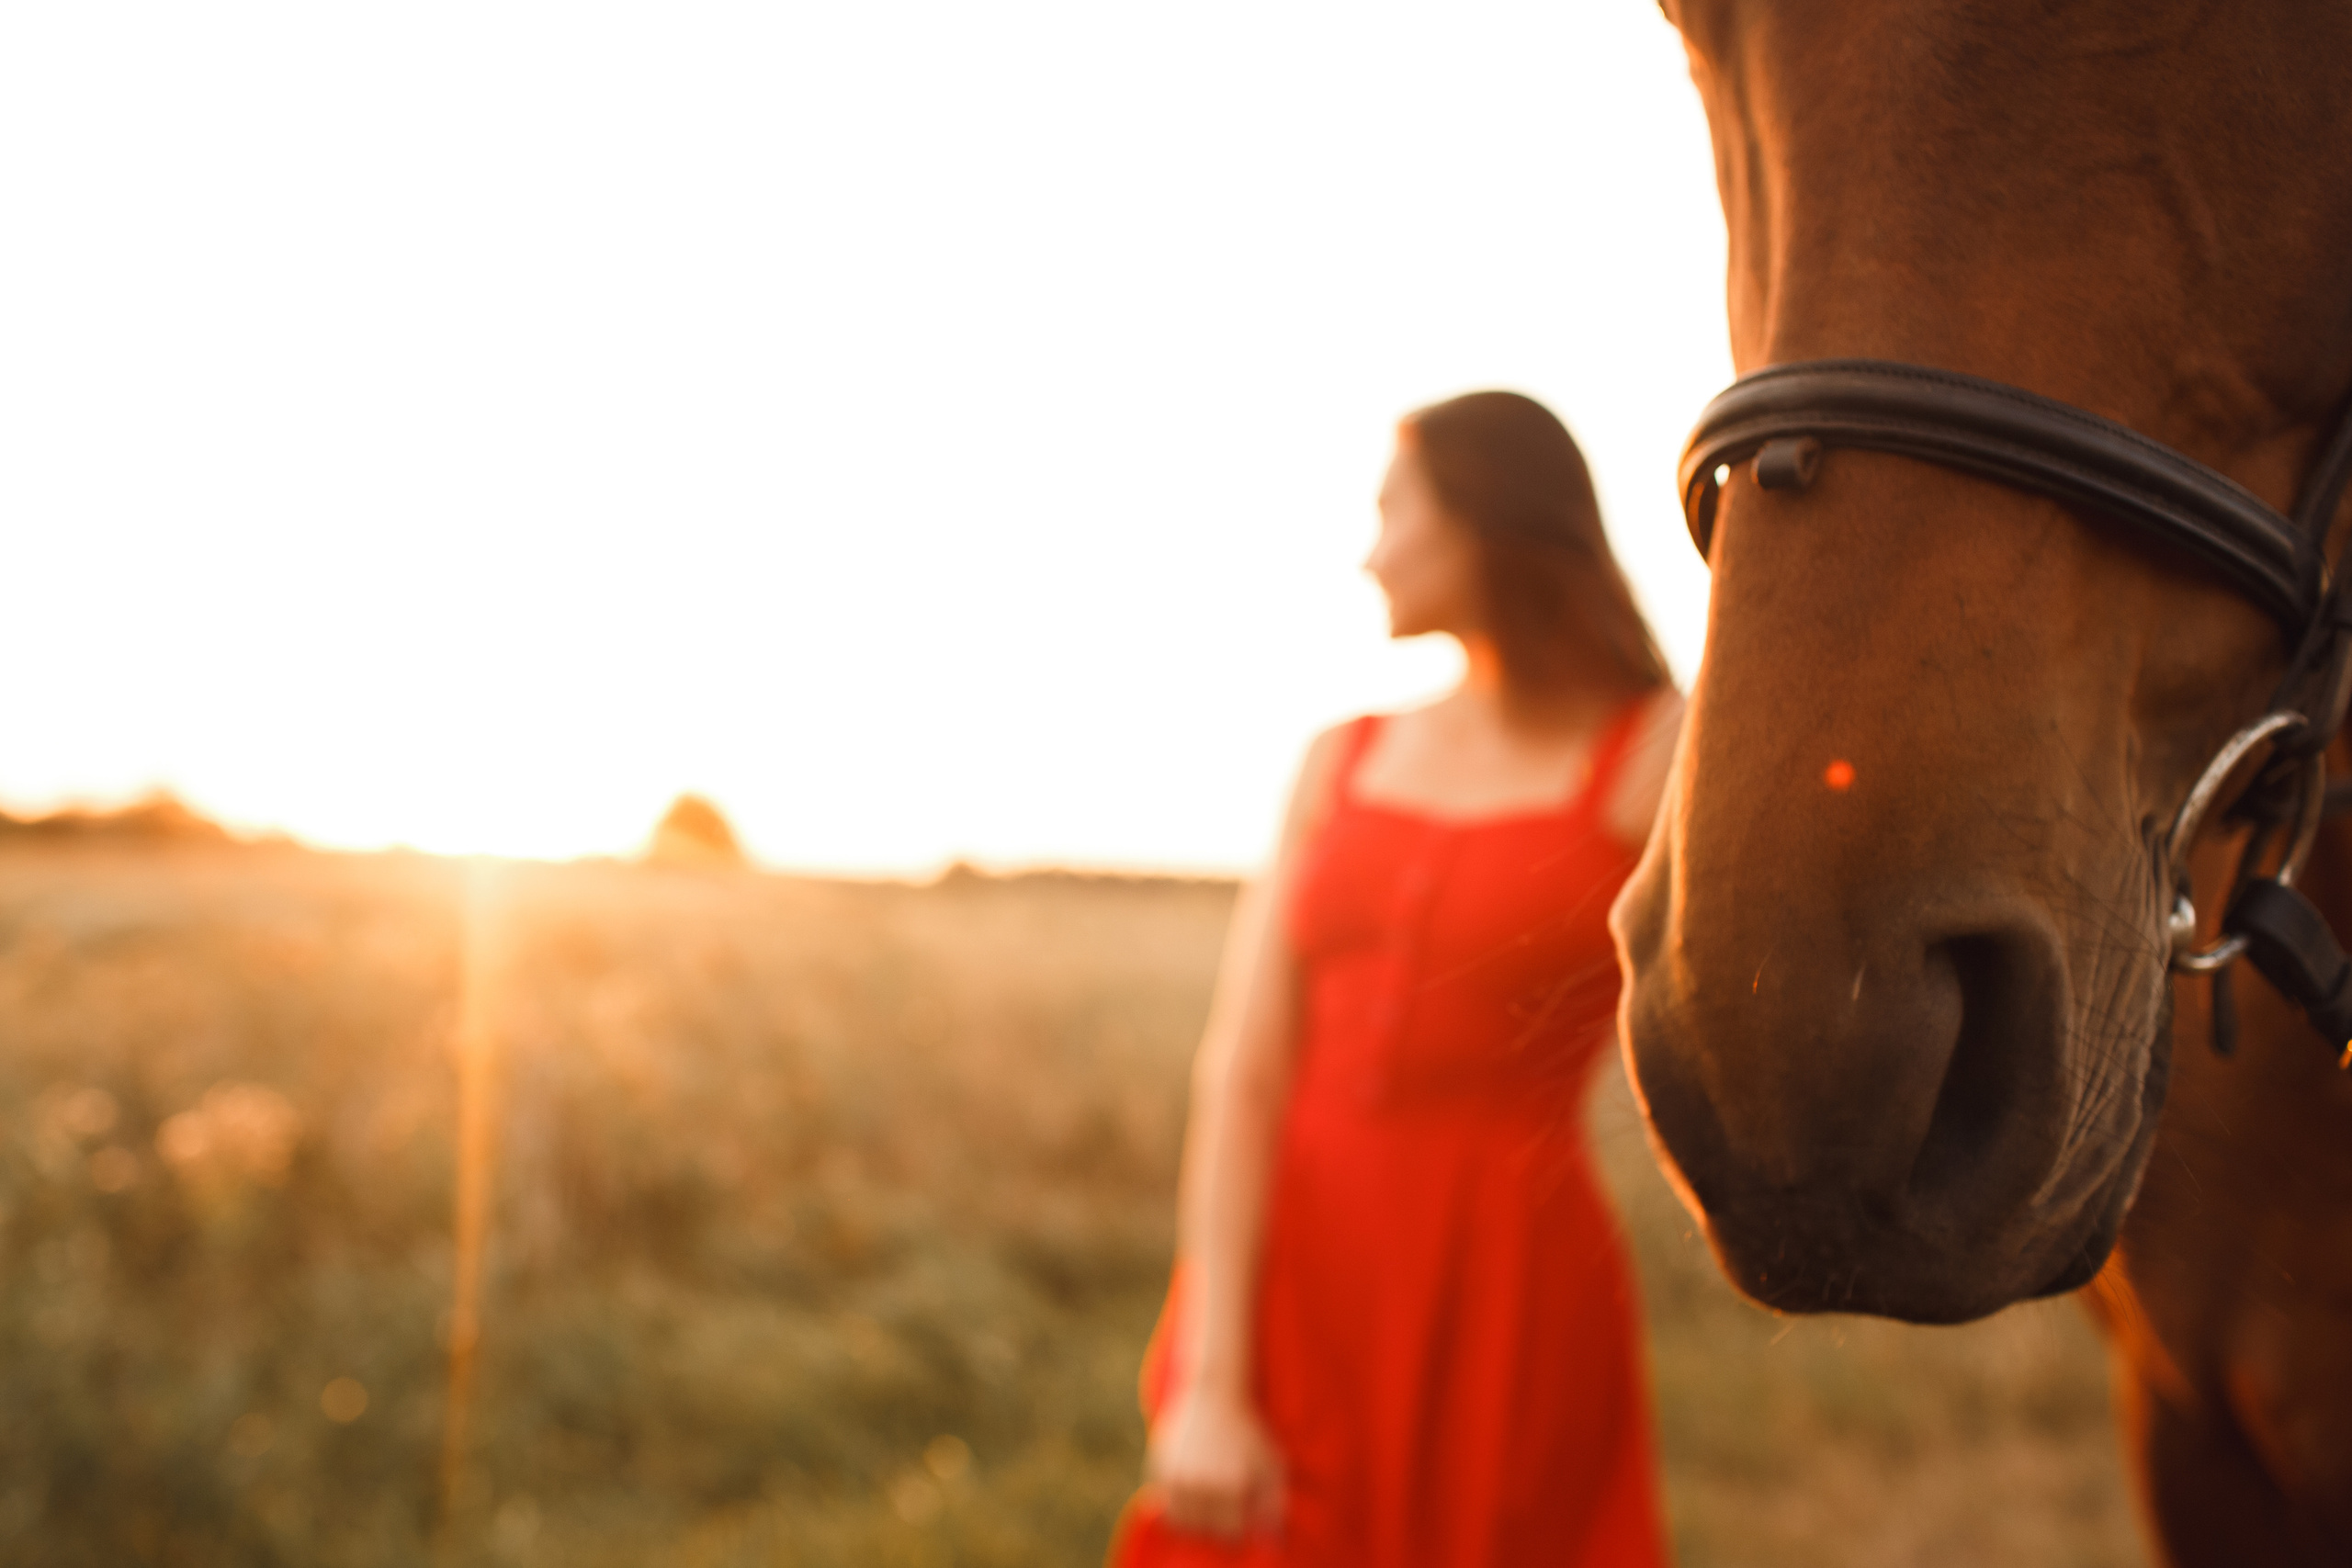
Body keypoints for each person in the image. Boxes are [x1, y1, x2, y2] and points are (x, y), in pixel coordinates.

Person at [1110, 391, 1680, 1567]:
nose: (1369, 552)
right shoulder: (1342, 752)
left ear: (1483, 521)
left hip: (1505, 1304)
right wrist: (1215, 1377)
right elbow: (1244, 1072)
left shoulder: (1656, 753)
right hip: (1290, 1279)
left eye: (1391, 511)